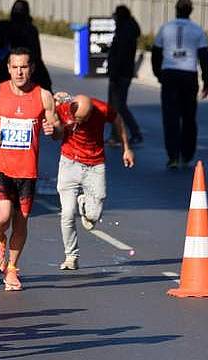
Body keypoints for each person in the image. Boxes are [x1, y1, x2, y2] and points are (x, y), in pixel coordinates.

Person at [0, 47, 58, 291]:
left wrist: (53, 130)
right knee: (2, 217)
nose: (20, 72)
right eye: (15, 67)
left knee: (21, 222)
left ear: (31, 68)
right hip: (0, 165)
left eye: (24, 66)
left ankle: (12, 269)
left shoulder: (43, 96)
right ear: (8, 68)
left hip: (27, 171)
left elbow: (55, 127)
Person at [54, 93, 135, 270]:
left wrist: (126, 148)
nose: (81, 123)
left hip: (95, 164)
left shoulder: (102, 109)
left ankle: (84, 203)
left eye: (85, 118)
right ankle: (71, 256)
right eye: (78, 119)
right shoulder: (63, 108)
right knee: (67, 214)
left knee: (92, 217)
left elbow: (118, 120)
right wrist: (57, 124)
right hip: (69, 163)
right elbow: (53, 130)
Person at [152, 0, 208, 169]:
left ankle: (172, 156)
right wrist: (207, 81)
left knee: (170, 117)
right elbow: (204, 57)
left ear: (176, 10)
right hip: (188, 75)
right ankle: (186, 154)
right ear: (190, 11)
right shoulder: (197, 29)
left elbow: (156, 53)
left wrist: (159, 74)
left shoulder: (166, 28)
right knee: (188, 117)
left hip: (170, 73)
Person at [106, 5, 143, 146]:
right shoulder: (129, 29)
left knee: (118, 106)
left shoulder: (124, 31)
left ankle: (134, 132)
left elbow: (120, 55)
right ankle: (116, 135)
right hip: (124, 73)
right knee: (116, 107)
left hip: (120, 74)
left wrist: (113, 72)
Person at [6, 0, 52, 92]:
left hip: (30, 64)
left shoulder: (31, 30)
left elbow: (36, 51)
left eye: (21, 9)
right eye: (17, 9)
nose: (18, 12)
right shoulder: (8, 28)